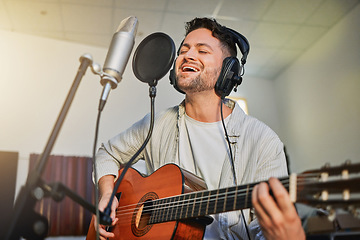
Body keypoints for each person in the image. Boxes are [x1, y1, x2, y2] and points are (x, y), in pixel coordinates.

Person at [94, 17, 305, 239]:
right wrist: (108, 194)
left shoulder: (263, 141)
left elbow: (264, 228)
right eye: (184, 49)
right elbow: (106, 153)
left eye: (202, 51)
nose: (188, 55)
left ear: (228, 71)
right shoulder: (157, 123)